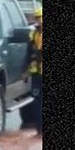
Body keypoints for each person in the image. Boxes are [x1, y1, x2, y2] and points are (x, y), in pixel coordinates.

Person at [23, 8, 43, 137]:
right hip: (36, 73)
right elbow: (28, 54)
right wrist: (24, 71)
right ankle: (39, 129)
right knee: (37, 101)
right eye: (38, 18)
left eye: (41, 17)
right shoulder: (33, 34)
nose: (40, 20)